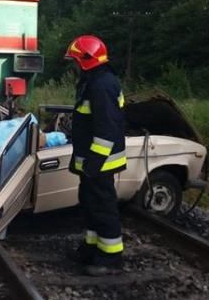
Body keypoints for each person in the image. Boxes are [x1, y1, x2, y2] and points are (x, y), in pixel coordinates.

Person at [64, 35, 127, 276]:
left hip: (101, 161)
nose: (73, 66)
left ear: (86, 61)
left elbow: (107, 128)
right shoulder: (93, 82)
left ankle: (111, 258)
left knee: (103, 206)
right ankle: (92, 248)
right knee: (90, 204)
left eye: (75, 61)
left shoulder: (102, 85)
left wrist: (95, 162)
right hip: (92, 161)